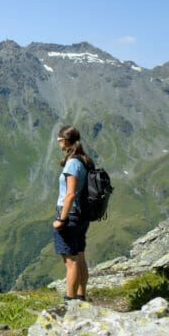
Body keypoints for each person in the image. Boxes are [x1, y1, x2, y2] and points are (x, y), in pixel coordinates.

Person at [53, 125, 93, 302]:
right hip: (82, 216)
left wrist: (61, 219)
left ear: (64, 140)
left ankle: (70, 301)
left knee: (71, 261)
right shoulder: (84, 160)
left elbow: (70, 193)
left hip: (70, 215)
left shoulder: (73, 163)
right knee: (80, 256)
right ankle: (80, 296)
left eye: (59, 140)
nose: (58, 143)